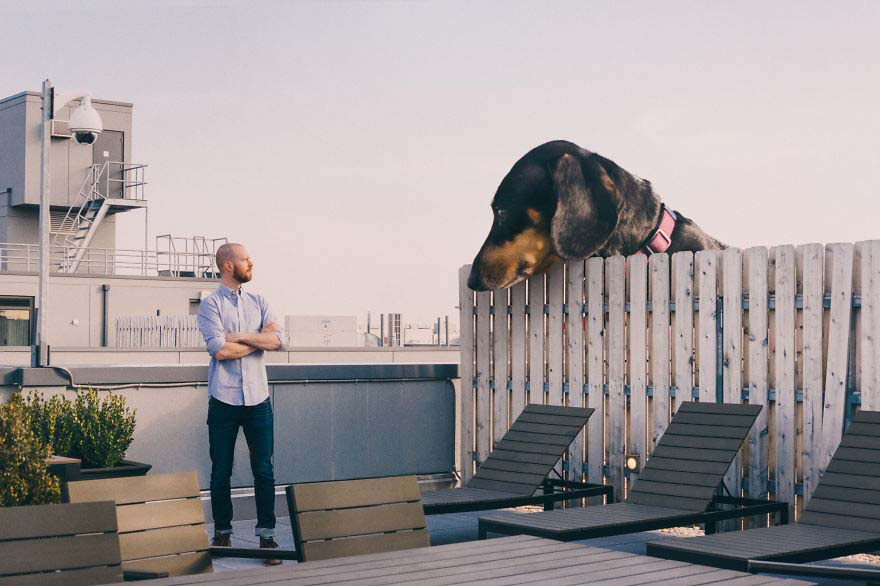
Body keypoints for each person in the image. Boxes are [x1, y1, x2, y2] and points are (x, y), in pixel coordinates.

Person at [197, 242, 285, 565]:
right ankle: (222, 532)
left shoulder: (259, 300)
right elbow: (219, 351)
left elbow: (278, 341)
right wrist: (255, 338)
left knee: (264, 469)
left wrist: (238, 337)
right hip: (223, 399)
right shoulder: (210, 306)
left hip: (258, 399)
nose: (252, 262)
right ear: (228, 265)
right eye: (246, 259)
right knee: (221, 471)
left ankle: (267, 537)